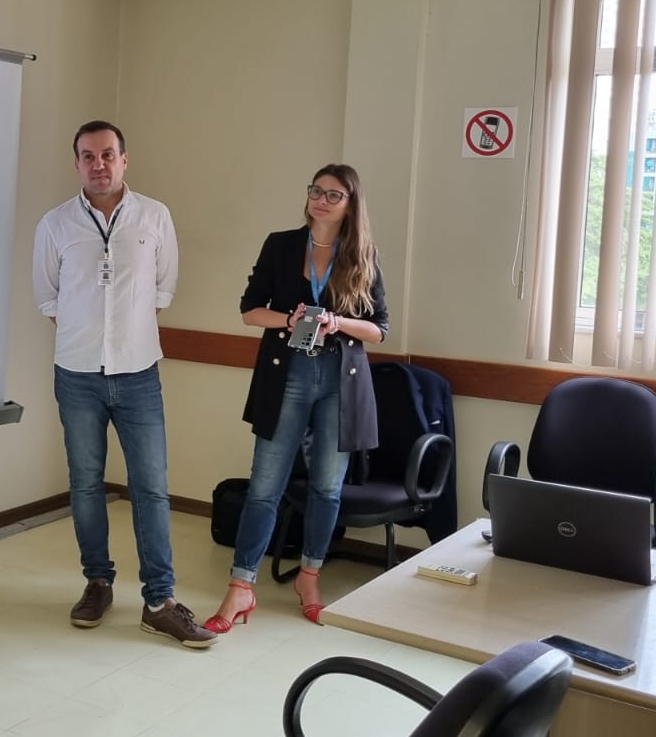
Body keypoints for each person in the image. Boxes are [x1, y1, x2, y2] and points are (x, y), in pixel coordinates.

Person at [32, 120, 216, 649]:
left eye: (108, 154)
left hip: (139, 376)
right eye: (88, 156)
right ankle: (97, 581)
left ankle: (159, 601)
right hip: (77, 375)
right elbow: (49, 299)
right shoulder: (56, 224)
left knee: (151, 487)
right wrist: (91, 339)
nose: (99, 164)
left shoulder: (154, 217)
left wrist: (121, 339)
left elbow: (163, 290)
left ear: (125, 159)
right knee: (87, 484)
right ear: (77, 164)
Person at [204, 164, 389, 633]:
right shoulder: (281, 244)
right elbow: (249, 311)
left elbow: (379, 328)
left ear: (350, 205)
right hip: (287, 373)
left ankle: (309, 576)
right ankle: (240, 587)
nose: (321, 200)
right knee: (265, 484)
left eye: (334, 194)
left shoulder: (361, 254)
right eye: (316, 191)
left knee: (328, 486)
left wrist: (337, 321)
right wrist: (291, 319)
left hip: (339, 380)